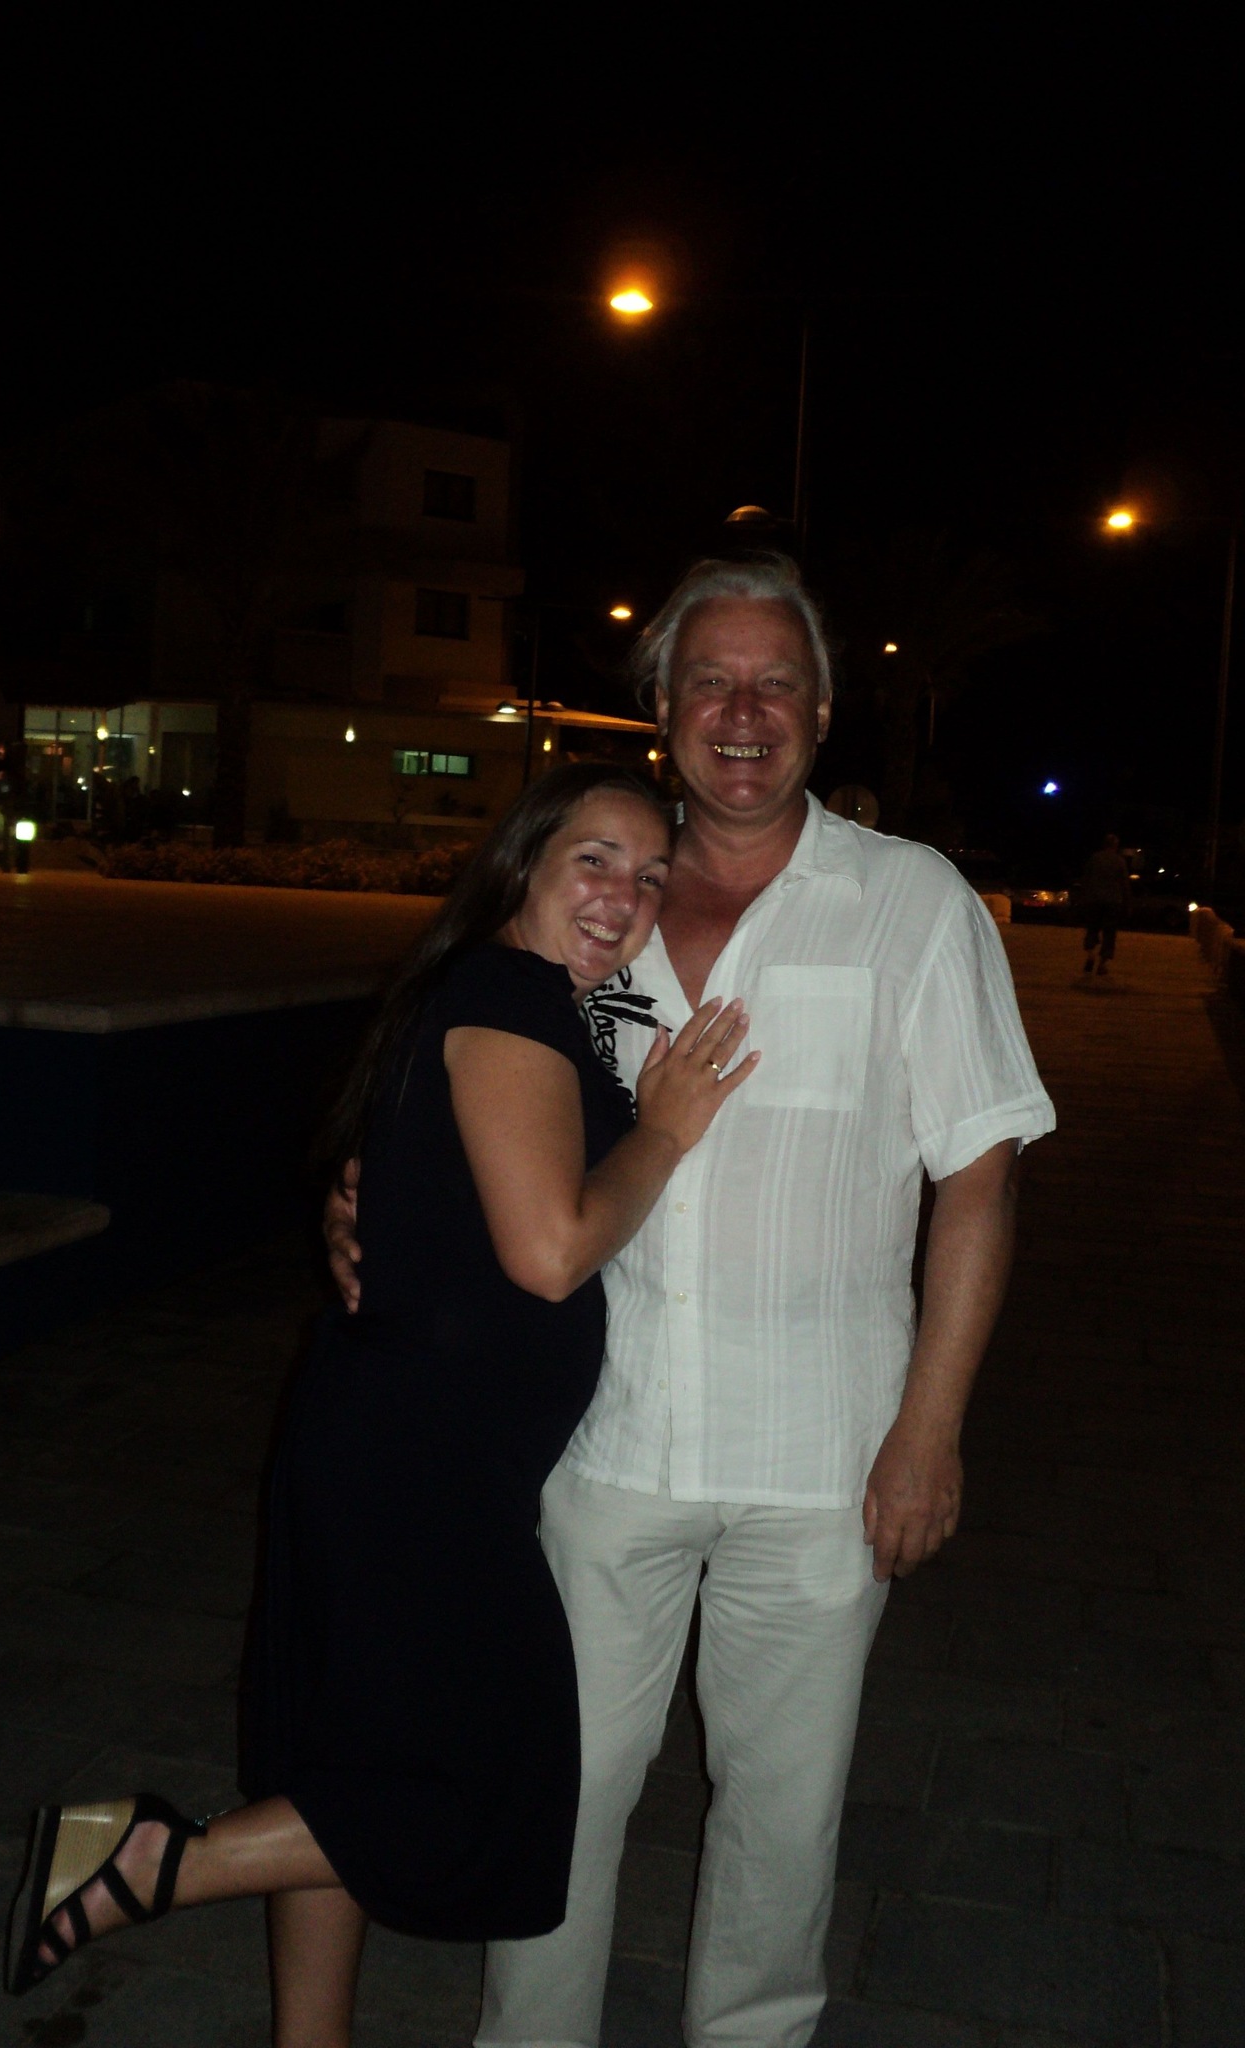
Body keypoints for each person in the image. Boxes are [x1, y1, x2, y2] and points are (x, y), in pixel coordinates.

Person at [327, 555, 1056, 2048]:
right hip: (600, 1439)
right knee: (562, 1791)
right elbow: (467, 1087)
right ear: (660, 703)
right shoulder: (596, 905)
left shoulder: (910, 902)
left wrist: (929, 1432)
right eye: (711, 680)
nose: (743, 711)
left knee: (782, 1817)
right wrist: (368, 1211)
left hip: (823, 1457)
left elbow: (979, 1181)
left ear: (825, 710)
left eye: (777, 682)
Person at [3, 761, 758, 2048]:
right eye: (593, 858)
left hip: (391, 1442)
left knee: (342, 1767)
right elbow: (551, 1251)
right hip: (425, 1467)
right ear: (522, 861)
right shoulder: (509, 998)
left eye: (647, 875)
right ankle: (150, 1861)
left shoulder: (504, 999)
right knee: (498, 1778)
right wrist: (669, 1128)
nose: (623, 896)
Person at [1079, 830, 1130, 974]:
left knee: (1092, 928)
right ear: (1115, 846)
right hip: (1113, 901)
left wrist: (1084, 897)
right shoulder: (1119, 861)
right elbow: (1124, 884)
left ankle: (1091, 955)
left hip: (1095, 899)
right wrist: (1127, 903)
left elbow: (1086, 879)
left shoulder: (1095, 858)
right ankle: (1102, 963)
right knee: (1109, 933)